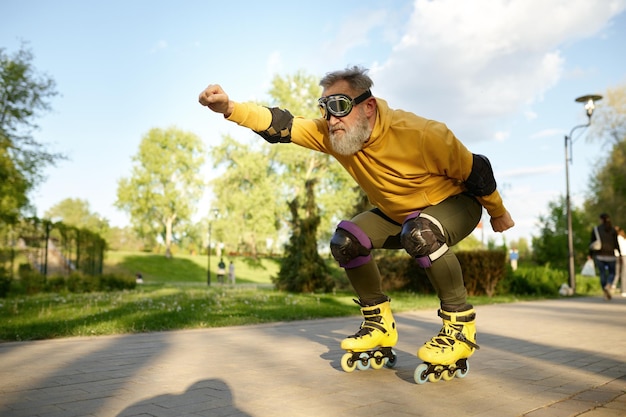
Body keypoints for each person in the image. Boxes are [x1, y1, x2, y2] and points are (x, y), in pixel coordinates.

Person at [198, 66, 514, 380]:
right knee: (346, 241)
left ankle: (458, 329)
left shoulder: (421, 134)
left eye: (339, 106)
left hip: (455, 205)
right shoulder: (334, 133)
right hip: (399, 214)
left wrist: (498, 212)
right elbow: (283, 125)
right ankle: (379, 325)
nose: (331, 118)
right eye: (324, 108)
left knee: (421, 233)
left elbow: (478, 171)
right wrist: (228, 108)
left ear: (368, 106)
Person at [589, 213, 622, 300]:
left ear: (601, 219)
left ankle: (605, 290)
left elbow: (592, 243)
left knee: (602, 273)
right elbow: (616, 243)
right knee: (612, 273)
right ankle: (608, 285)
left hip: (599, 255)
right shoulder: (613, 230)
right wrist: (620, 254)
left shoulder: (596, 229)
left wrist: (590, 255)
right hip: (611, 255)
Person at [613, 226, 626, 297]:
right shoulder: (624, 238)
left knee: (617, 273)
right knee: (623, 273)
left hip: (619, 255)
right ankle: (623, 290)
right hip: (623, 255)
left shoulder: (617, 238)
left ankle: (613, 285)